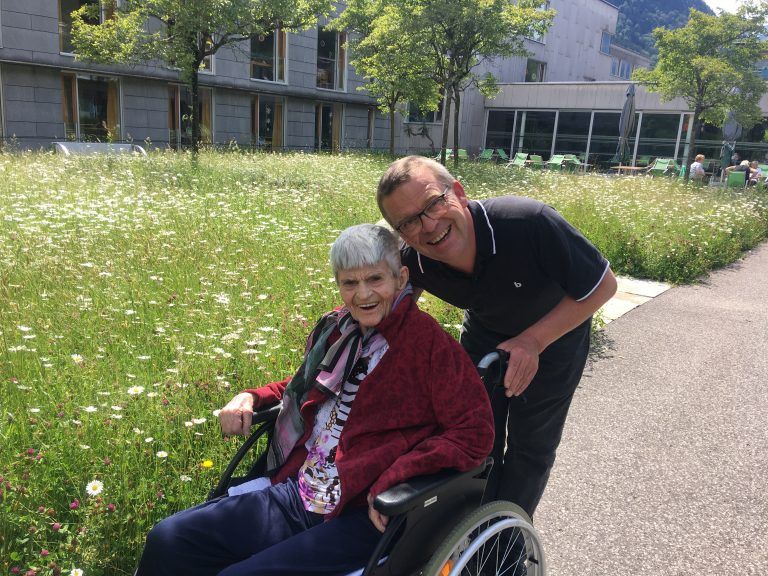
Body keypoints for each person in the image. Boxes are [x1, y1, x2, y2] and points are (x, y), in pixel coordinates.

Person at [135, 223, 493, 576]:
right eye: (350, 283)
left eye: (375, 279)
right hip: (300, 489)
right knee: (169, 539)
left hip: (363, 508)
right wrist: (250, 396)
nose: (363, 294)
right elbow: (304, 385)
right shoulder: (338, 328)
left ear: (400, 279)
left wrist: (398, 475)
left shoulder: (430, 347)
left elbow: (474, 432)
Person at [376, 156, 617, 518]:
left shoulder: (527, 222)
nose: (428, 226)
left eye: (434, 203)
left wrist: (533, 342)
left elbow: (603, 285)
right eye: (408, 222)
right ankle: (473, 525)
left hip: (555, 335)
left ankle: (506, 537)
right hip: (485, 332)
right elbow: (393, 311)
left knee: (530, 447)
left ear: (459, 193)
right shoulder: (416, 260)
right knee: (472, 436)